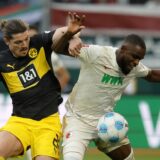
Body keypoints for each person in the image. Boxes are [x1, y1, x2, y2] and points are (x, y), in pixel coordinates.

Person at [56, 34, 160, 160]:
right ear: (123, 49)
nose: (136, 62)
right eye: (135, 57)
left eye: (140, 59)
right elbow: (58, 48)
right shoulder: (97, 54)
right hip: (78, 121)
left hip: (106, 123)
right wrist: (70, 37)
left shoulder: (134, 67)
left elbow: (152, 75)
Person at [0, 12, 85, 160]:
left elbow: (60, 32)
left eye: (26, 39)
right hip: (20, 122)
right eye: (18, 42)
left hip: (48, 123)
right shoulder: (2, 62)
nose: (24, 45)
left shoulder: (38, 43)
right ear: (7, 41)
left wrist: (72, 35)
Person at [28, 25, 70, 92]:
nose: (32, 40)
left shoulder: (50, 55)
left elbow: (64, 76)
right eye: (28, 38)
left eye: (34, 37)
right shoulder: (20, 56)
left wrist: (55, 94)